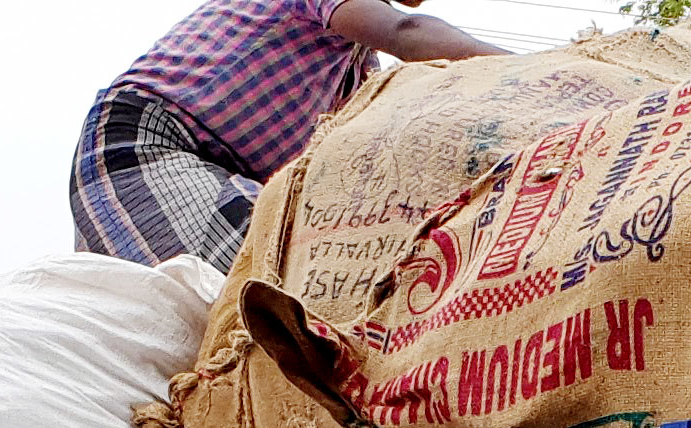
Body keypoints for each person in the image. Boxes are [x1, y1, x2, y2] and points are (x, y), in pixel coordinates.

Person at [69, 0, 504, 271]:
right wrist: (547, 71)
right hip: (148, 144)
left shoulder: (358, 76)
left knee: (327, 261)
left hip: (224, 177)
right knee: (269, 277)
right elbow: (406, 32)